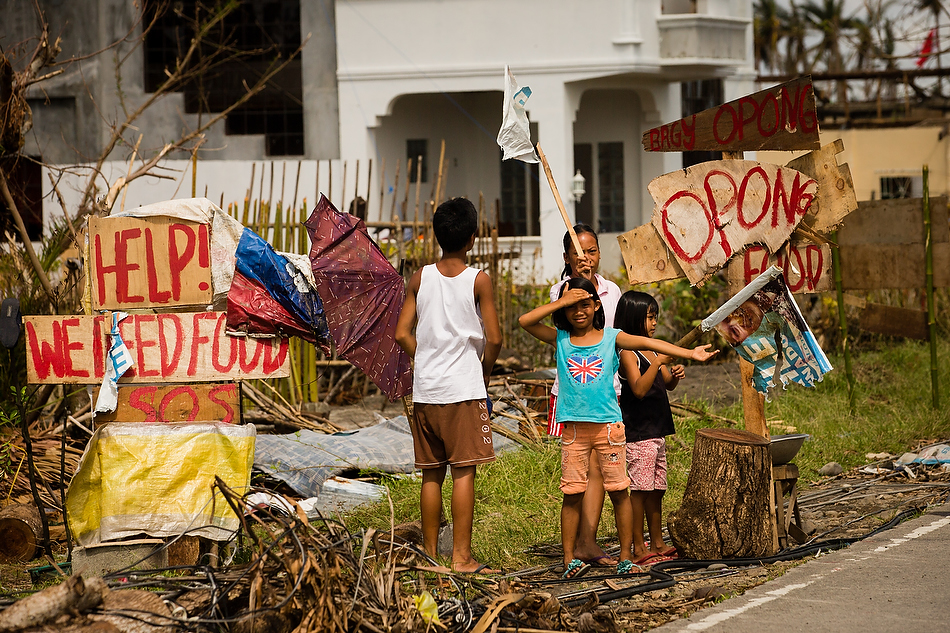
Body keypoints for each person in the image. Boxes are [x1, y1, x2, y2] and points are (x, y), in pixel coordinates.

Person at [519, 277, 717, 578]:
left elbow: (649, 343)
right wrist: (562, 300)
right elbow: (525, 321)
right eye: (572, 306)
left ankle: (626, 556)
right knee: (572, 493)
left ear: (597, 304)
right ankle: (569, 559)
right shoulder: (560, 338)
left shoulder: (611, 337)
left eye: (584, 303)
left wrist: (689, 354)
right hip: (573, 430)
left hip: (608, 428)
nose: (578, 311)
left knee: (619, 490)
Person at [395, 197, 503, 574]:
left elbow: (401, 333)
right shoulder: (479, 280)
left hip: (427, 390)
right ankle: (461, 557)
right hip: (463, 390)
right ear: (473, 238)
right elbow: (496, 337)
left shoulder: (420, 277)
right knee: (463, 471)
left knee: (430, 474)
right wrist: (483, 370)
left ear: (438, 235)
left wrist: (424, 356)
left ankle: (429, 555)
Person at [548, 224, 622, 567]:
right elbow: (559, 324)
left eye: (591, 252)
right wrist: (573, 294)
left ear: (599, 254)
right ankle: (578, 543)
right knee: (579, 473)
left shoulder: (612, 291)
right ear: (566, 258)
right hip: (574, 397)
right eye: (577, 254)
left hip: (607, 393)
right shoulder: (559, 293)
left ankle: (587, 541)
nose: (585, 258)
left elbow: (621, 337)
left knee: (604, 473)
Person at [615, 291, 683, 565]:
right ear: (634, 318)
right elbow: (639, 389)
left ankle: (657, 541)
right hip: (639, 431)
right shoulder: (628, 353)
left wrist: (674, 374)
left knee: (657, 488)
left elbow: (665, 382)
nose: (654, 323)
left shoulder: (652, 348)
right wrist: (656, 363)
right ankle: (637, 547)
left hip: (657, 429)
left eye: (655, 317)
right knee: (640, 491)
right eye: (649, 317)